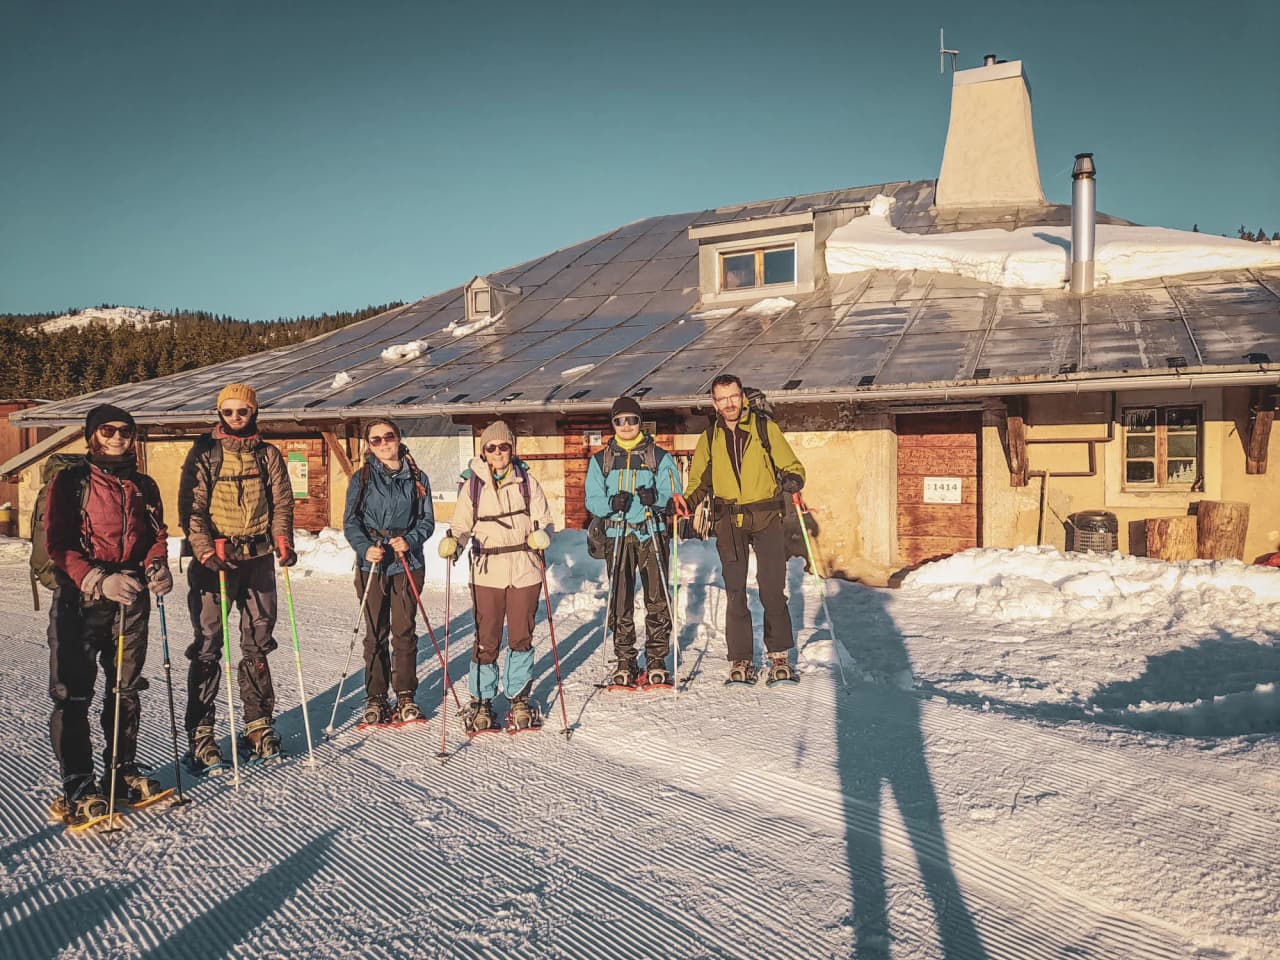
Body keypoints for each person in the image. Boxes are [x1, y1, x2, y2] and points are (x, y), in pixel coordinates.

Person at [45, 404, 172, 825]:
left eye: (125, 430)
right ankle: (79, 785)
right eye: (108, 430)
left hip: (130, 599)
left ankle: (121, 770)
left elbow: (156, 535)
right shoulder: (70, 482)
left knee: (125, 690)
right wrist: (98, 580)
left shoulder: (144, 484)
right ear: (91, 436)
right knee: (74, 694)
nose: (118, 437)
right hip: (80, 601)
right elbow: (58, 545)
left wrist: (158, 564)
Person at [179, 383, 295, 769]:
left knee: (257, 639)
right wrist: (205, 548)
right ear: (219, 414)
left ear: (253, 412)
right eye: (227, 412)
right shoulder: (205, 454)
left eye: (241, 411)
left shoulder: (268, 455)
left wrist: (283, 538)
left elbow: (282, 501)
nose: (234, 418)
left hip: (257, 555)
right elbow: (191, 507)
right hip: (216, 559)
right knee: (209, 642)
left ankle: (258, 723)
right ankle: (202, 731)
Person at [684, 374, 806, 684]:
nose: (729, 403)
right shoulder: (709, 437)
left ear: (743, 397)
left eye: (734, 396)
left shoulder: (765, 428)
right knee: (735, 590)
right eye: (722, 398)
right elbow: (700, 479)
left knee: (771, 588)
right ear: (714, 403)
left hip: (766, 517)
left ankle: (778, 654)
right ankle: (741, 658)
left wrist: (792, 479)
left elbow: (791, 464)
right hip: (729, 521)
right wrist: (686, 503)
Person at [438, 420, 553, 732]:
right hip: (487, 571)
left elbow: (544, 519)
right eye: (492, 447)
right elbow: (461, 526)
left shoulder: (527, 481)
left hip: (525, 568)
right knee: (487, 638)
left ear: (511, 449)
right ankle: (482, 699)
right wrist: (454, 543)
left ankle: (518, 697)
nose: (498, 452)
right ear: (484, 451)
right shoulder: (472, 485)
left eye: (504, 446)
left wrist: (543, 535)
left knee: (521, 636)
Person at [585, 396, 686, 687]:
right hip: (617, 534)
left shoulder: (658, 456)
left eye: (631, 420)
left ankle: (656, 658)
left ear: (640, 423)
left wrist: (657, 499)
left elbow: (673, 491)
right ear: (613, 424)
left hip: (649, 531)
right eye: (620, 420)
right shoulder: (600, 461)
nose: (626, 425)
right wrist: (609, 504)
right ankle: (625, 658)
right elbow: (592, 499)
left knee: (656, 597)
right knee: (620, 600)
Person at [342, 418, 436, 725]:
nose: (383, 444)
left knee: (404, 632)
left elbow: (427, 521)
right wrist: (364, 546)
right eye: (376, 440)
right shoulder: (363, 477)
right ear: (369, 445)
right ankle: (376, 697)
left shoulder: (418, 477)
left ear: (398, 438)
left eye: (388, 437)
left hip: (407, 561)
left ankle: (406, 694)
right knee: (375, 633)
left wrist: (409, 540)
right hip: (373, 561)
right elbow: (351, 521)